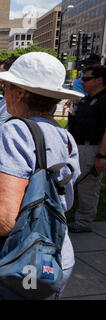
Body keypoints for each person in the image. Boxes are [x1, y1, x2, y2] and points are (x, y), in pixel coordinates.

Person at [0, 52, 83, 299]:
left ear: (20, 92)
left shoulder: (14, 131)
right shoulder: (63, 136)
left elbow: (2, 221)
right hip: (54, 257)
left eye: (7, 86)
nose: (4, 91)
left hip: (17, 262)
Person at [67, 65, 106, 233]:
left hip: (92, 148)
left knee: (88, 186)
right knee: (73, 182)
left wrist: (102, 155)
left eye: (86, 78)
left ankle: (84, 221)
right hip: (78, 146)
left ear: (99, 80)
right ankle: (73, 216)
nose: (82, 82)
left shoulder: (104, 100)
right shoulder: (86, 99)